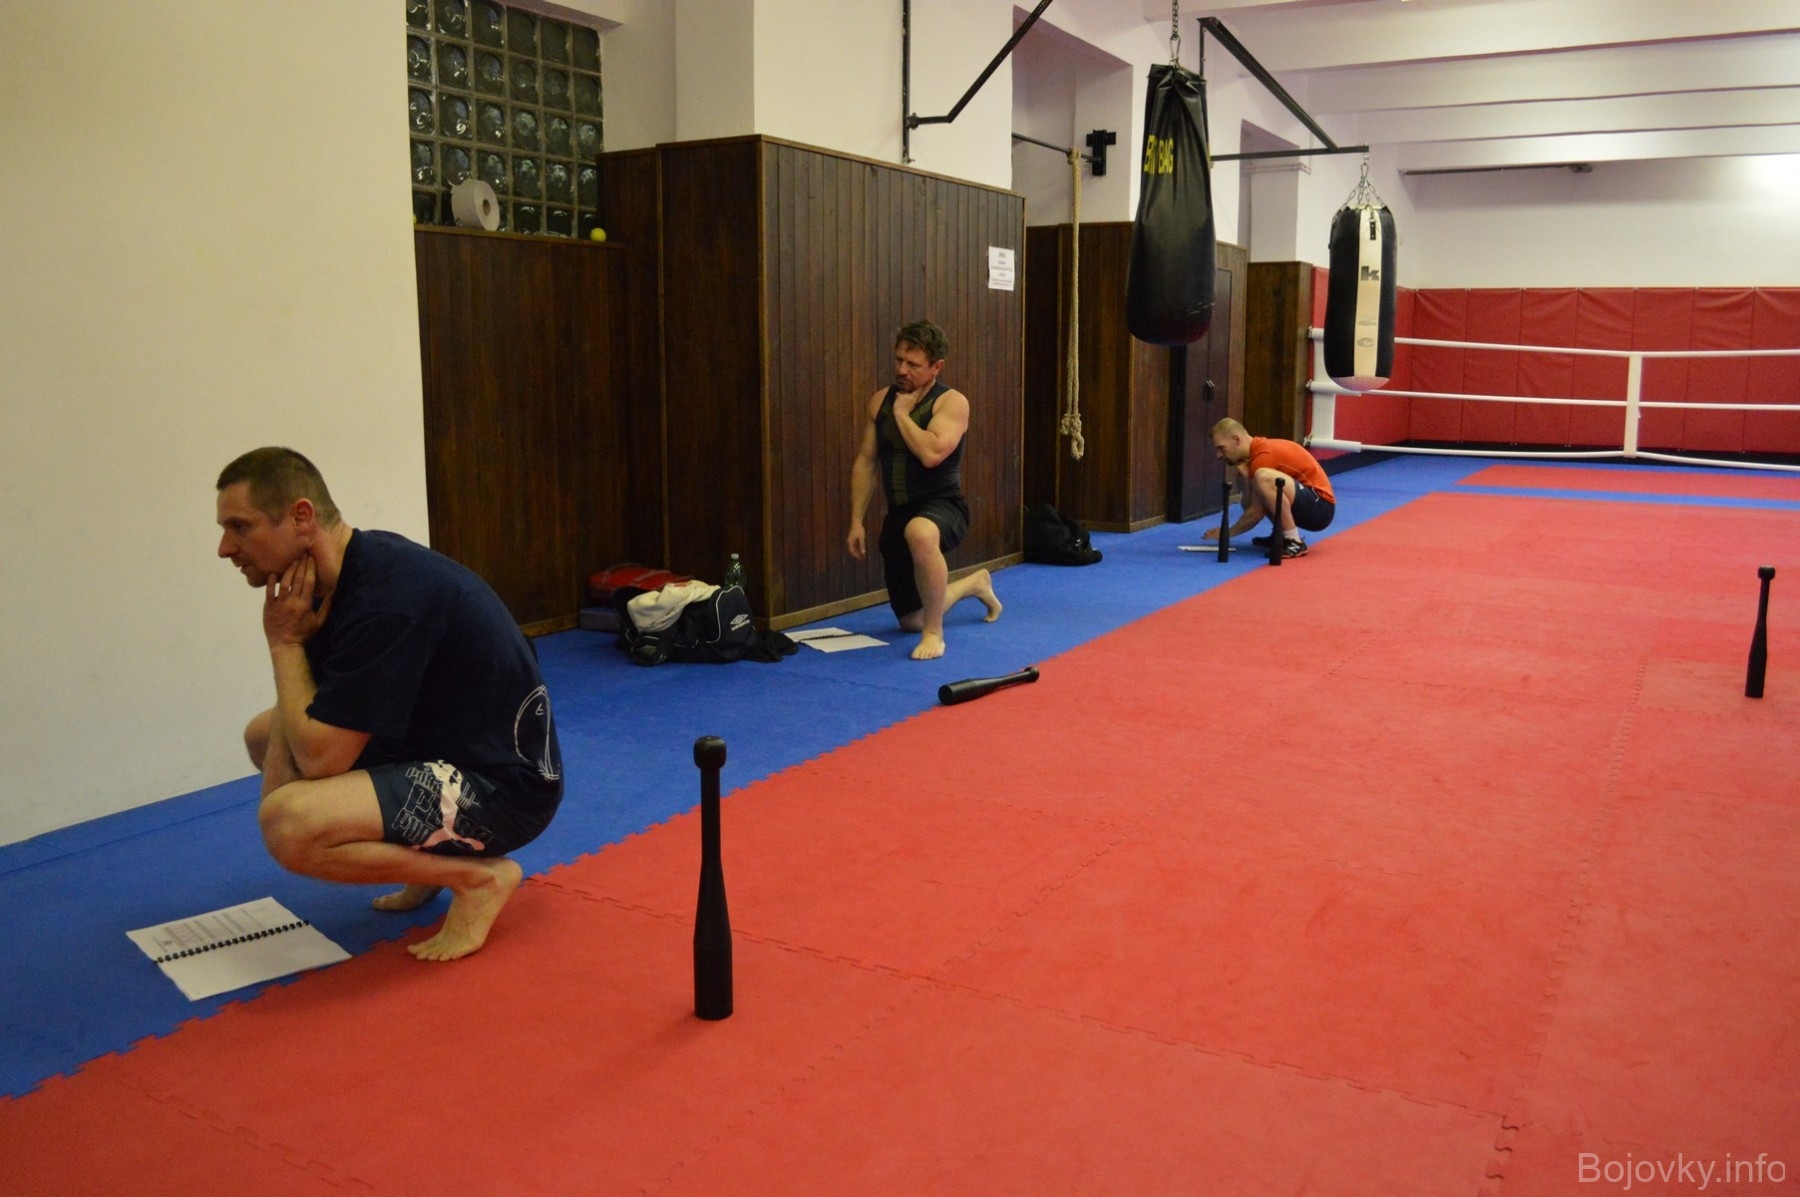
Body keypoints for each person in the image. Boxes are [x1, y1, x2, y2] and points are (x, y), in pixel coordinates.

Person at [215, 448, 563, 961]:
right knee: (263, 736)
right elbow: (303, 739)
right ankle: (427, 859)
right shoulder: (337, 577)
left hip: (506, 790)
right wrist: (295, 642)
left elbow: (317, 764)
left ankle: (477, 879)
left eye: (240, 527)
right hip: (440, 749)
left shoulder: (389, 596)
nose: (225, 548)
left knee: (290, 827)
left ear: (302, 517)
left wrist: (285, 645)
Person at [847, 320, 1002, 660]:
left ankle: (935, 634)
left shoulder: (951, 402)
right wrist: (856, 520)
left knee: (919, 532)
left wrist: (902, 415)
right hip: (899, 513)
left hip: (944, 506)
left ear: (936, 367)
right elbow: (866, 462)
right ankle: (973, 584)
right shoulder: (880, 401)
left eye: (913, 364)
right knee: (910, 620)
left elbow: (932, 454)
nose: (902, 370)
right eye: (899, 360)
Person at [1201, 418, 1336, 558]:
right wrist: (1246, 479)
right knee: (1262, 485)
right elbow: (1248, 505)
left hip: (1321, 508)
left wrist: (1227, 533)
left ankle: (1294, 541)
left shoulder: (1263, 457)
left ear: (1236, 440)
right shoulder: (1255, 454)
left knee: (1263, 477)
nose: (1219, 455)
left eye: (1221, 448)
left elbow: (1256, 512)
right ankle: (1280, 535)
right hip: (1310, 503)